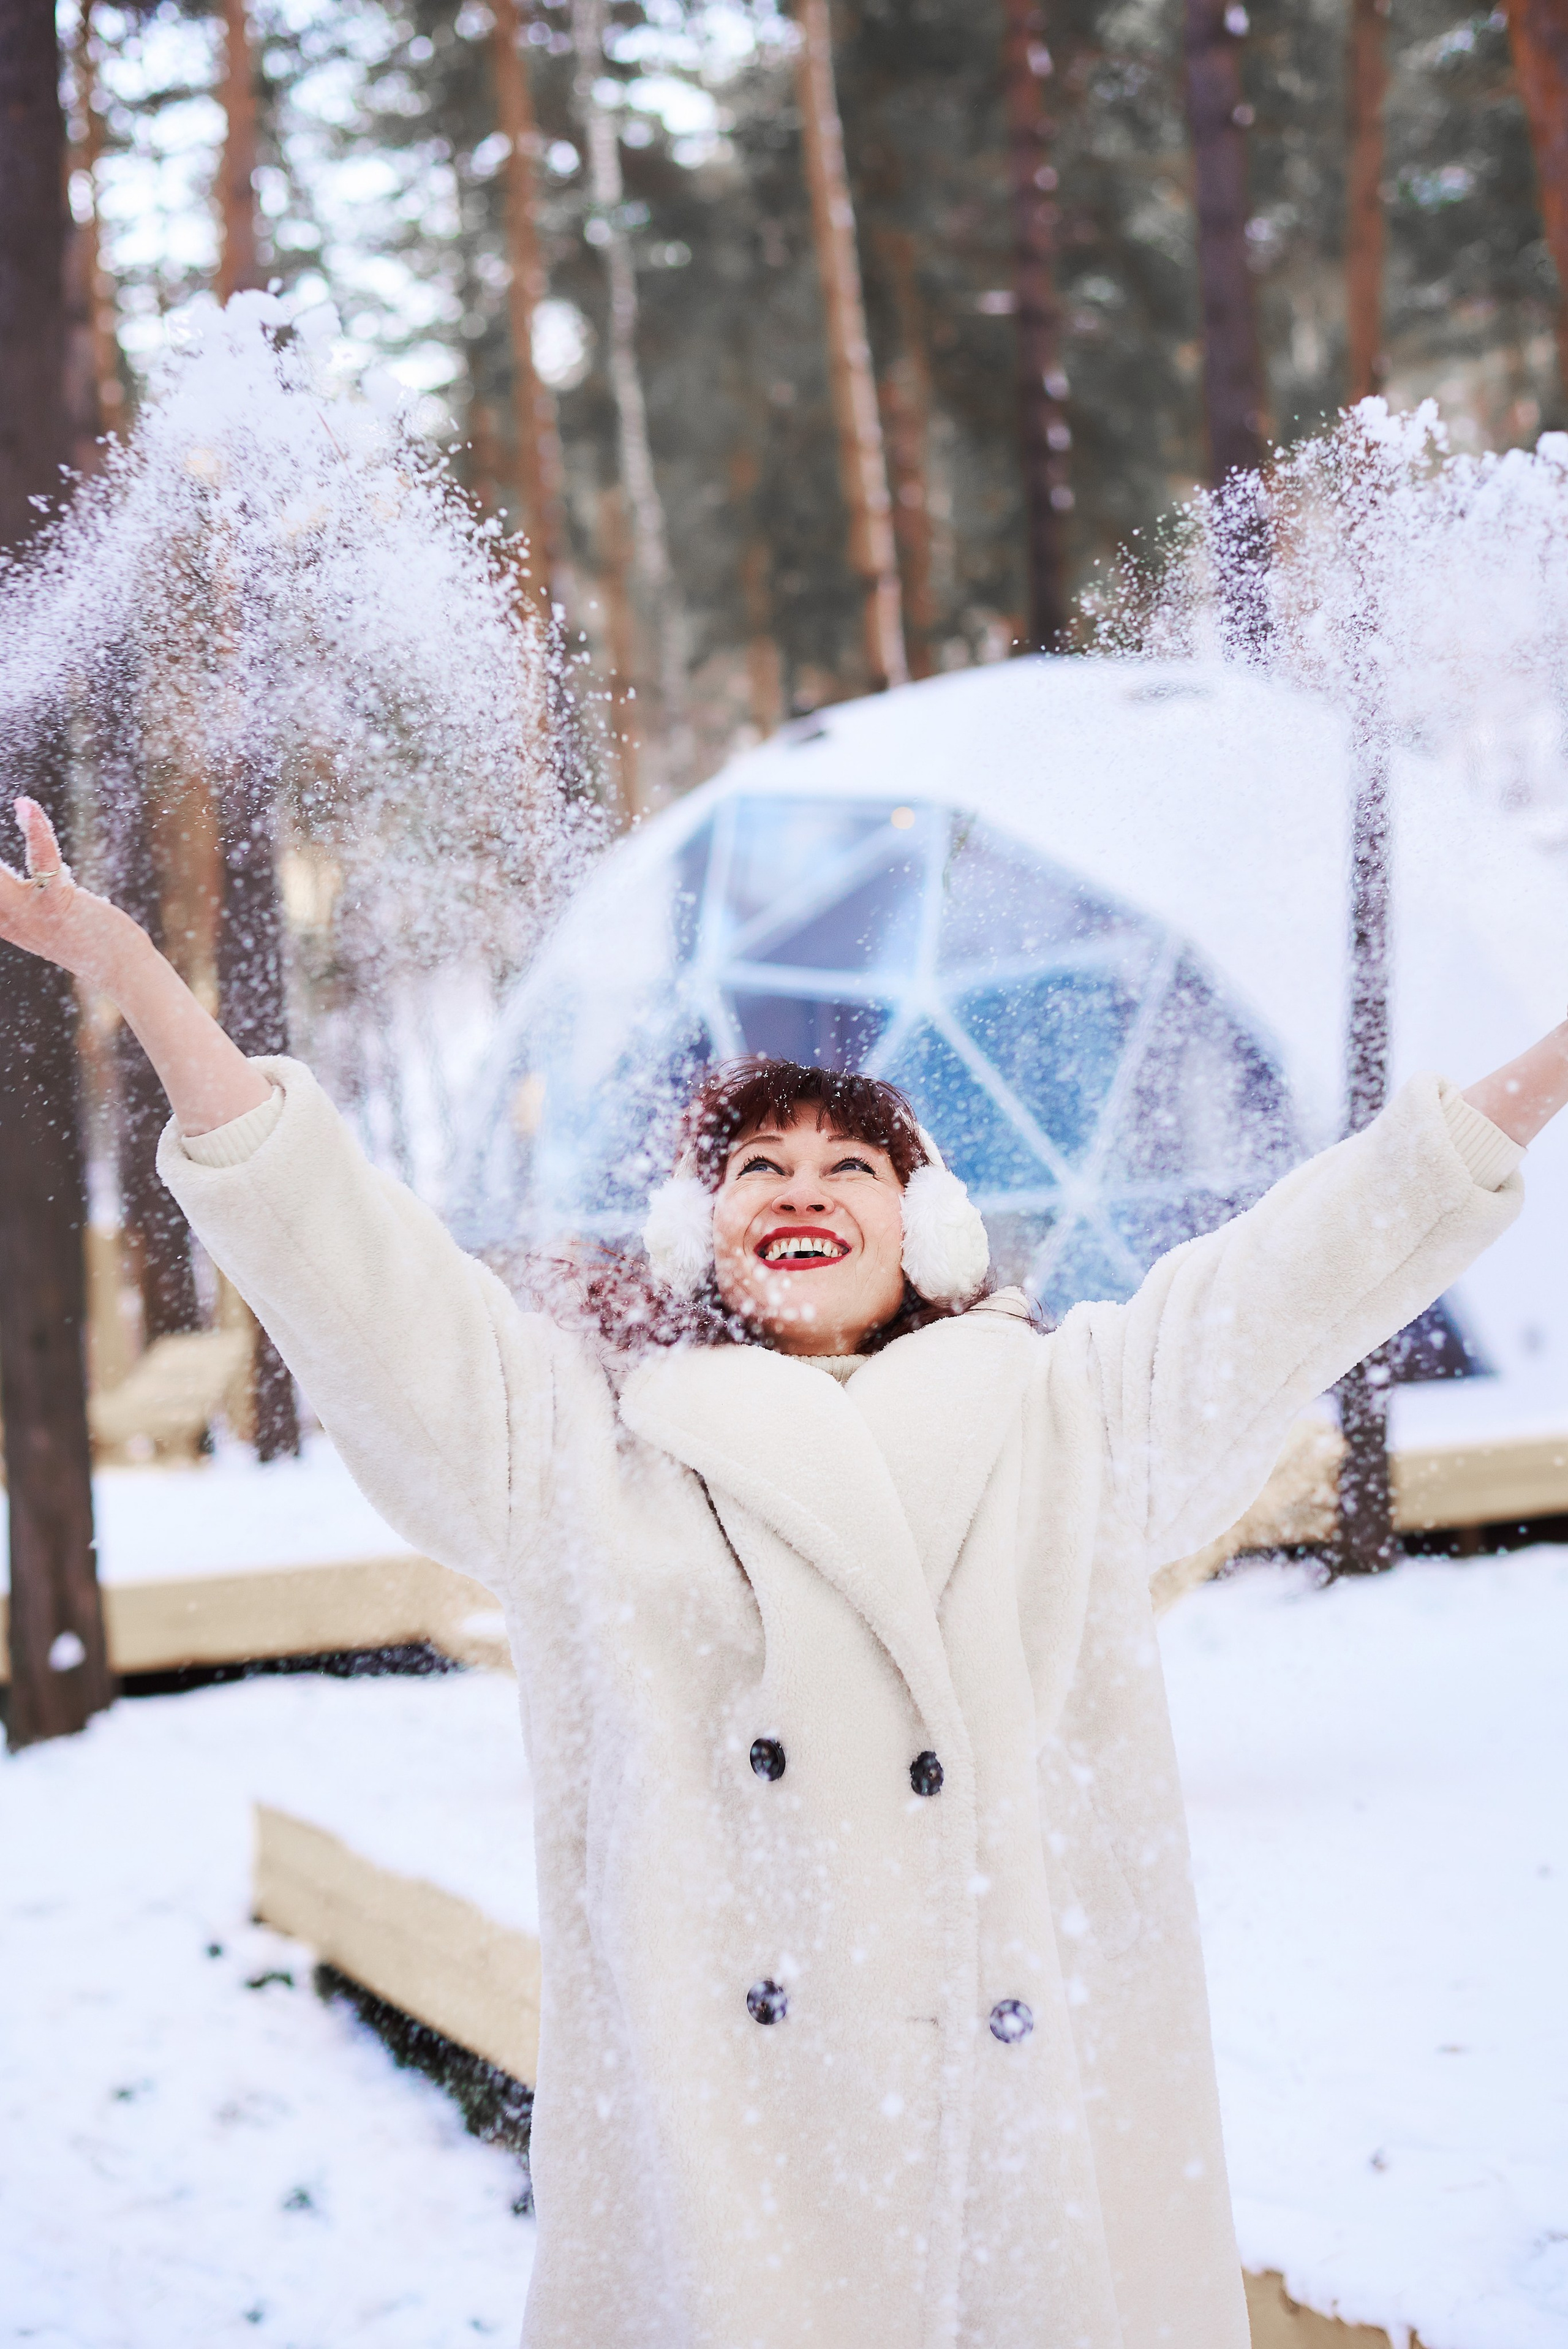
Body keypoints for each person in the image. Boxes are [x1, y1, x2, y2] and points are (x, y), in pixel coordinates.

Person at [2, 791, 1563, 2349]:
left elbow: (1315, 1258)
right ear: (702, 1235)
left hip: (1019, 2211)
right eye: (755, 1164)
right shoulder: (580, 1453)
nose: (802, 1188)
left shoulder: (1073, 1419)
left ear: (926, 1228)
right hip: (727, 2226)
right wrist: (136, 973)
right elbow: (349, 1260)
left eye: (851, 1165)